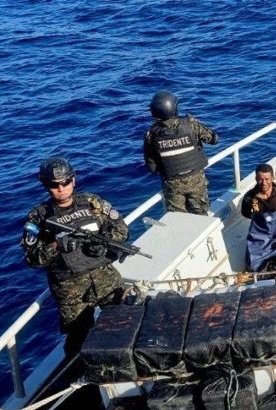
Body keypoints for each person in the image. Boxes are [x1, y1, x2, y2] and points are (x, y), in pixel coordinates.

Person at [21, 157, 129, 356]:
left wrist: (104, 241)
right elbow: (32, 259)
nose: (61, 189)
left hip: (104, 277)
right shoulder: (39, 217)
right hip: (70, 290)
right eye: (54, 185)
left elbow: (121, 228)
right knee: (78, 339)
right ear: (46, 186)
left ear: (73, 180)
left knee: (123, 322)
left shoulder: (92, 203)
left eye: (65, 182)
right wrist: (56, 246)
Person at [143, 91, 219, 215]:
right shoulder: (190, 124)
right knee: (201, 216)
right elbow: (214, 139)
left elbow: (151, 167)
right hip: (196, 181)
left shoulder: (151, 135)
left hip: (172, 185)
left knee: (179, 220)